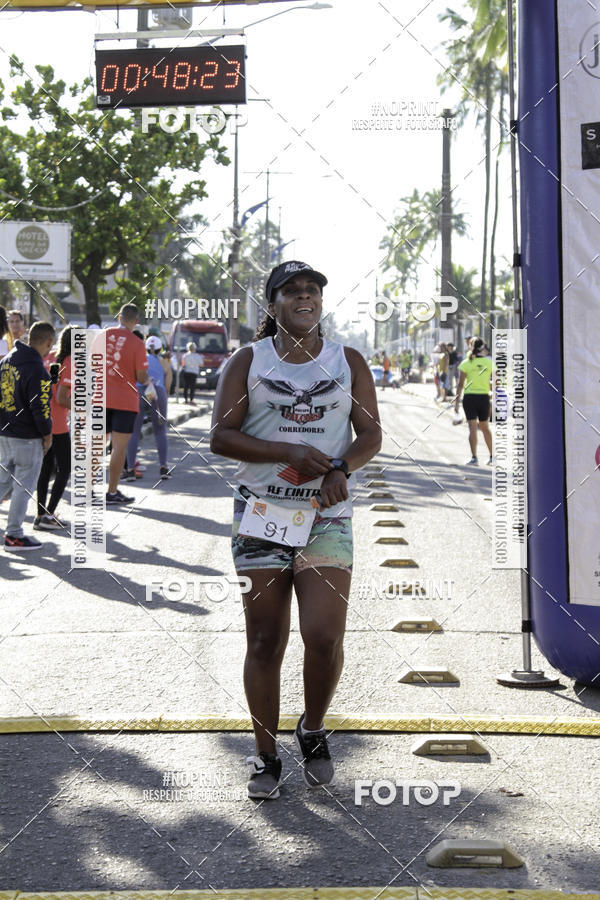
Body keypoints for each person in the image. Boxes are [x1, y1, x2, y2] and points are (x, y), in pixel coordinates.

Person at [211, 260, 382, 800]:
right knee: (265, 640)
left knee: (325, 635)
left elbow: (371, 433)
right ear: (274, 303)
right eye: (292, 291)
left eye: (312, 290)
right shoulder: (248, 361)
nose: (305, 297)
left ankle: (311, 728)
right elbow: (221, 436)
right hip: (261, 513)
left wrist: (340, 469)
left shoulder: (347, 360)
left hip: (324, 516)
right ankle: (264, 756)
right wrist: (287, 451)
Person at [0, 320, 55, 550]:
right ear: (49, 342)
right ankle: (13, 535)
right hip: (27, 438)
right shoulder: (37, 370)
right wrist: (47, 434)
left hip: (4, 433)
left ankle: (13, 533)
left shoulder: (6, 361)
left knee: (2, 483)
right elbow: (41, 409)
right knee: (23, 488)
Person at [95, 303, 148, 505]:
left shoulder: (101, 336)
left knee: (96, 445)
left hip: (100, 397)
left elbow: (90, 364)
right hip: (125, 401)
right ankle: (111, 491)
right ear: (136, 321)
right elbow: (142, 377)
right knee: (118, 448)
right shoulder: (137, 343)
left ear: (119, 317)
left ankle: (89, 490)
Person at [35, 325, 73, 530]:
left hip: (43, 419)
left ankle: (40, 515)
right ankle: (48, 515)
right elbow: (61, 398)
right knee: (65, 468)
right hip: (57, 424)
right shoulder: (69, 362)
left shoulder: (50, 357)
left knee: (45, 469)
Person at [125, 336, 171, 481]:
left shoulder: (140, 358)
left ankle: (131, 469)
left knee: (134, 431)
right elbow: (168, 378)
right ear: (160, 348)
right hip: (157, 391)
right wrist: (165, 394)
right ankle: (163, 467)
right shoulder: (163, 361)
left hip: (138, 391)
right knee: (160, 431)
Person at [454, 336, 494, 465]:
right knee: (485, 427)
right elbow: (496, 383)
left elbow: (460, 384)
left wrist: (456, 402)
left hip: (470, 398)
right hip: (484, 397)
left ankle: (474, 458)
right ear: (482, 348)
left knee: (472, 427)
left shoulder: (466, 363)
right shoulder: (489, 363)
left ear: (471, 347)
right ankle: (492, 457)